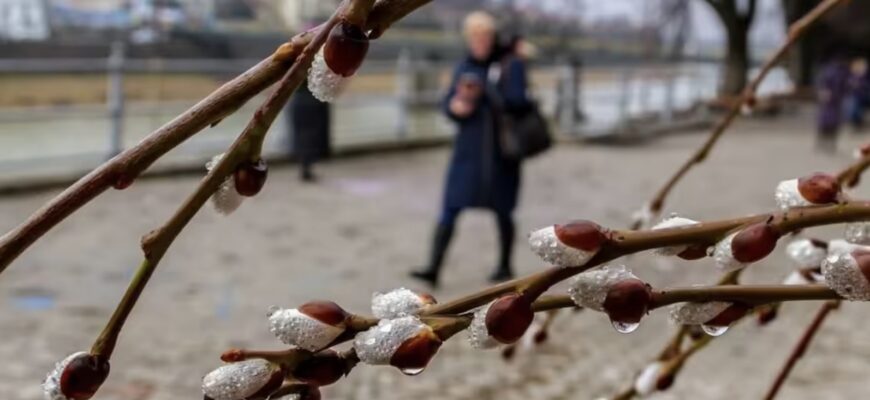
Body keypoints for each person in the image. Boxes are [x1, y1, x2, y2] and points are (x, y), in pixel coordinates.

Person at [410, 12, 532, 288]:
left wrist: (485, 89)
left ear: (493, 37)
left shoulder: (510, 64)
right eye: (475, 36)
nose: (480, 41)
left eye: (485, 35)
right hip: (468, 151)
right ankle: (433, 267)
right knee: (450, 208)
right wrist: (455, 107)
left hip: (501, 153)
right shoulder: (463, 66)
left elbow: (519, 103)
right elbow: (447, 104)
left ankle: (504, 265)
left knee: (504, 210)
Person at [288, 79, 331, 182]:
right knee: (310, 134)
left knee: (303, 134)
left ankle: (305, 165)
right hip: (312, 98)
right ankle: (307, 165)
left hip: (299, 99)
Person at [816, 56, 850, 153]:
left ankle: (830, 143)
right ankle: (823, 142)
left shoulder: (842, 71)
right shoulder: (829, 70)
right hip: (830, 99)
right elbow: (822, 82)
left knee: (833, 122)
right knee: (825, 121)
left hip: (836, 100)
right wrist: (823, 91)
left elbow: (844, 85)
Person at [846, 58, 869, 132]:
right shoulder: (851, 76)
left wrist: (860, 85)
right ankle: (856, 123)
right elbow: (848, 86)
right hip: (855, 97)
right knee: (853, 106)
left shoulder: (865, 77)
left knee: (856, 106)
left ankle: (858, 122)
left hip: (864, 97)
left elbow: (866, 86)